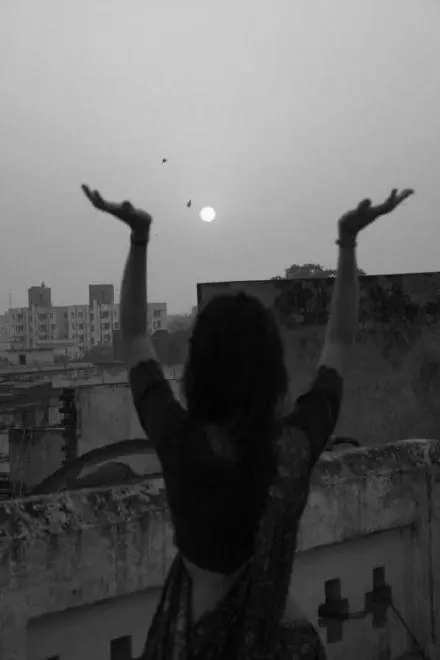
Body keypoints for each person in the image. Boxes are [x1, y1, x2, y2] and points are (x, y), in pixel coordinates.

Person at [81, 184, 413, 659]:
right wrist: (347, 242)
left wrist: (139, 237)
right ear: (273, 372)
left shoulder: (180, 442)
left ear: (197, 371)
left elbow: (133, 335)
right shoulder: (294, 449)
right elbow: (339, 344)